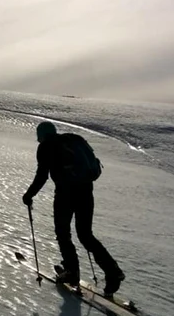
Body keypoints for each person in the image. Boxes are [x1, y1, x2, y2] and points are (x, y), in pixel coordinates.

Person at [22, 121, 125, 295]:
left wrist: (29, 195)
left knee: (63, 233)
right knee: (85, 234)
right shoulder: (72, 140)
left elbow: (42, 176)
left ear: (41, 135)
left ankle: (72, 272)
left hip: (65, 194)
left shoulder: (46, 147)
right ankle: (113, 272)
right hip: (86, 191)